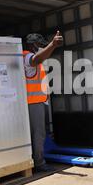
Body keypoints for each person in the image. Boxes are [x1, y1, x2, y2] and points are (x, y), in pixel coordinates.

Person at [23, 31, 63, 172]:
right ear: (33, 45)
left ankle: (37, 160)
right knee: (38, 133)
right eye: (40, 46)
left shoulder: (34, 58)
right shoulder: (27, 56)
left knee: (38, 133)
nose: (42, 48)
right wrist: (52, 45)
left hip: (38, 101)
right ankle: (39, 163)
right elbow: (35, 60)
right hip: (33, 102)